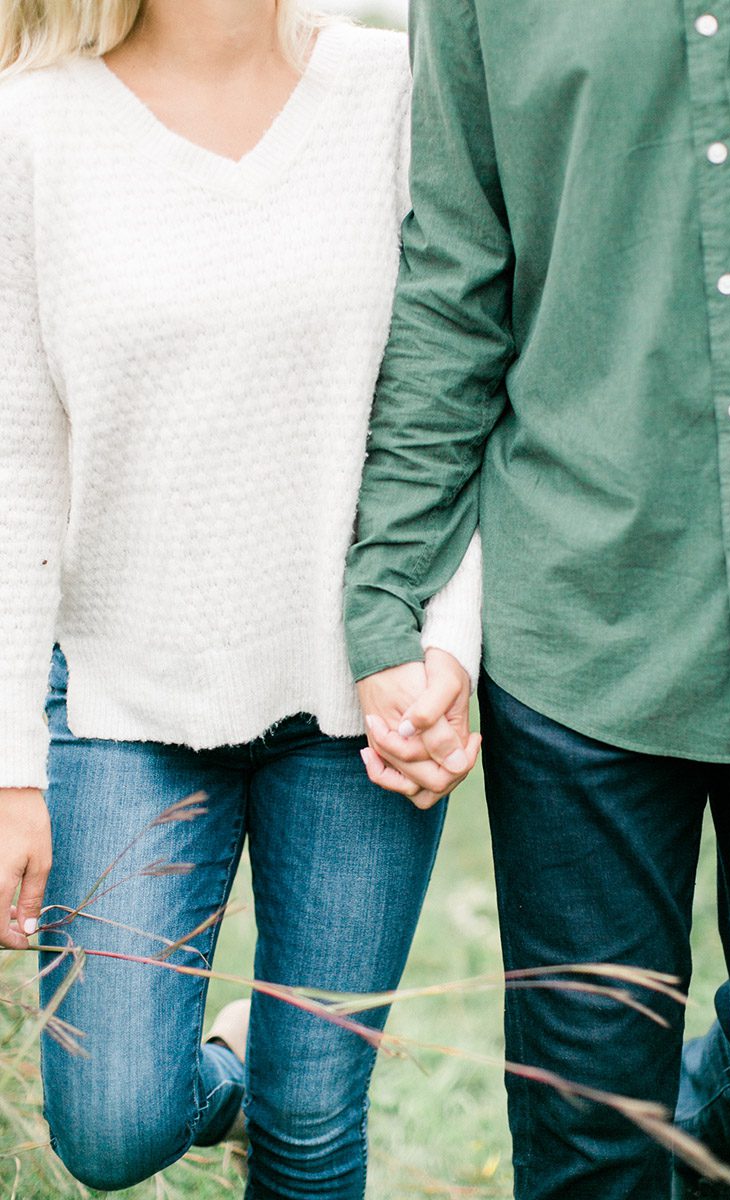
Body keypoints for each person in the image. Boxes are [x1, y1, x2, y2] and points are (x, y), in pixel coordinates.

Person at [344, 2, 730, 1197]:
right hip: (582, 609)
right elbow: (456, 270)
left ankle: (697, 1148)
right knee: (588, 1133)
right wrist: (388, 592)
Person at [0, 2, 482, 1197]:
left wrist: (446, 649)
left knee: (315, 1118)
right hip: (123, 699)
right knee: (112, 1125)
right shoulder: (32, 129)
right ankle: (232, 1066)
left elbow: (463, 389)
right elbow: (14, 467)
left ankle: (280, 1084)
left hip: (357, 695)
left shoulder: (398, 93)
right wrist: (9, 765)